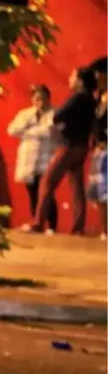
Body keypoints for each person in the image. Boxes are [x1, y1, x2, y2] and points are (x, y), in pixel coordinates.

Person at [30, 67, 97, 234]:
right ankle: (78, 227)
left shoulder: (77, 97)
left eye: (73, 76)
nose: (69, 79)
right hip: (81, 146)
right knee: (76, 187)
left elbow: (59, 114)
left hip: (68, 145)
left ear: (80, 80)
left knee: (47, 181)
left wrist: (57, 121)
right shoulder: (90, 99)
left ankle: (38, 222)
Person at [6, 84, 57, 233]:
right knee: (32, 192)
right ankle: (36, 222)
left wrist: (27, 132)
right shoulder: (26, 114)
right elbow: (12, 130)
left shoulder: (55, 113)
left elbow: (49, 131)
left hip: (46, 158)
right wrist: (26, 126)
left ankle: (52, 225)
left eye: (42, 98)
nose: (39, 102)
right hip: (29, 159)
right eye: (36, 99)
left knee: (47, 192)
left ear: (48, 98)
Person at [88, 57, 107, 239]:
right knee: (99, 194)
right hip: (100, 150)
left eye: (99, 73)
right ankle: (105, 231)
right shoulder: (99, 97)